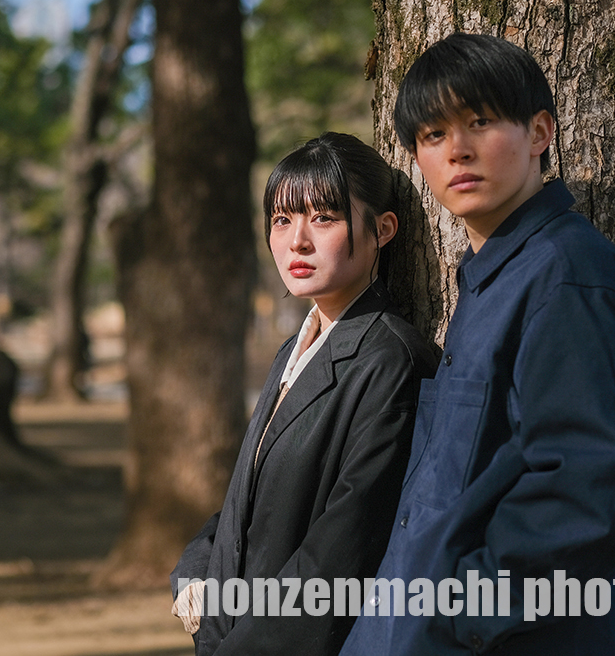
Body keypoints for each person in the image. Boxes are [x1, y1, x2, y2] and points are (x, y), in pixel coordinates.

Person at [340, 33, 615, 655]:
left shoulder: (564, 272)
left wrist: (466, 613)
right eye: (433, 134)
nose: (457, 149)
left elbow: (597, 475)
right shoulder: (491, 276)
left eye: (480, 122)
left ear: (539, 132)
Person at [170, 132, 438, 655]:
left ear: (383, 229)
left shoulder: (391, 361)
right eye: (281, 219)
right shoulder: (295, 349)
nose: (297, 241)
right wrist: (196, 567)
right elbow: (252, 498)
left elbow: (343, 550)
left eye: (324, 218)